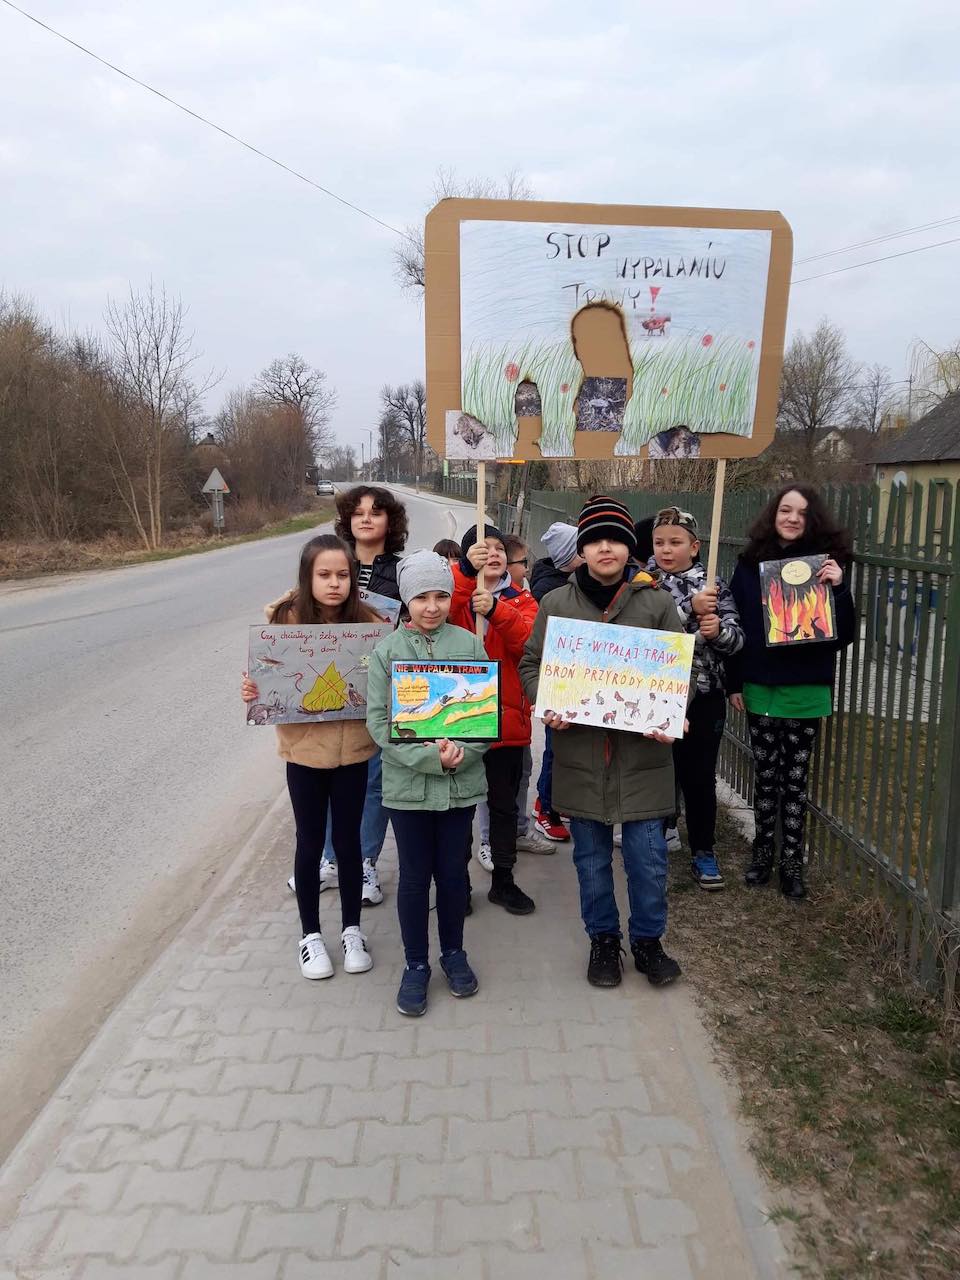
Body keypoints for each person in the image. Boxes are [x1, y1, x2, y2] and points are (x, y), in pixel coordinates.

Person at [519, 495, 686, 989]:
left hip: (643, 757)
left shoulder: (656, 603)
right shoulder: (557, 604)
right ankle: (604, 941)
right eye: (595, 541)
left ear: (629, 546)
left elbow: (683, 670)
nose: (605, 548)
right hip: (581, 757)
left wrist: (672, 710)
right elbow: (532, 663)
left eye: (615, 539)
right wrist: (546, 700)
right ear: (582, 550)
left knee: (648, 861)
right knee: (591, 861)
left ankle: (649, 942)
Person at [242, 534, 379, 980]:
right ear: (307, 577)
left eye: (343, 575)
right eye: (324, 575)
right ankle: (310, 935)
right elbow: (267, 682)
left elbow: (385, 681)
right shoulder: (284, 623)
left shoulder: (370, 624)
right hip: (303, 753)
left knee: (349, 841)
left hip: (354, 752)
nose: (334, 583)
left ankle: (352, 929)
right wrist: (254, 689)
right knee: (309, 840)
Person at [366, 552, 488, 1017]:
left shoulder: (469, 645)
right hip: (408, 791)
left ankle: (453, 953)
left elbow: (485, 713)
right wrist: (429, 758)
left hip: (460, 786)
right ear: (406, 600)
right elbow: (380, 723)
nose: (431, 607)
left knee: (454, 875)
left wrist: (463, 753)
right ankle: (416, 963)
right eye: (421, 597)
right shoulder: (387, 652)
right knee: (415, 878)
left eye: (440, 596)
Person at [726, 486, 855, 900]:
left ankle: (792, 864)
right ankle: (762, 854)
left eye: (801, 512)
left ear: (812, 518)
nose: (793, 518)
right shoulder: (749, 564)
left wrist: (840, 588)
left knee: (795, 782)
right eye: (785, 510)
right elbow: (736, 625)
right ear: (774, 514)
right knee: (766, 776)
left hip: (806, 687)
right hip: (760, 686)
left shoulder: (826, 565)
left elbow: (844, 636)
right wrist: (733, 683)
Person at [302, 484, 407, 906]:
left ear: (390, 521)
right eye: (358, 512)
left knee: (374, 781)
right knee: (328, 776)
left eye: (376, 512)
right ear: (346, 519)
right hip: (332, 692)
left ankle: (364, 863)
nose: (366, 518)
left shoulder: (401, 571)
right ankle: (330, 860)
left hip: (381, 693)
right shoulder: (331, 563)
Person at [649, 507, 744, 890]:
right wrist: (689, 608)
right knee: (657, 771)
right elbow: (646, 631)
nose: (665, 550)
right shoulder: (645, 583)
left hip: (704, 695)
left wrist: (717, 630)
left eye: (675, 542)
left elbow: (737, 642)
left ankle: (703, 850)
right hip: (656, 693)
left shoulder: (714, 586)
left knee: (699, 776)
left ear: (694, 546)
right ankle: (655, 839)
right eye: (659, 542)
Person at [451, 523, 540, 914]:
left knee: (504, 807)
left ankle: (504, 881)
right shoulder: (456, 593)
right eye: (483, 547)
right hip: (461, 720)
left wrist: (497, 610)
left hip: (507, 725)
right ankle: (457, 884)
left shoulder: (523, 600)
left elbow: (529, 644)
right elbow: (440, 616)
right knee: (459, 809)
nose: (493, 553)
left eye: (499, 548)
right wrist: (465, 577)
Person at [528, 522, 583, 843]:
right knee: (556, 749)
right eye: (581, 549)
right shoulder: (550, 591)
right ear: (568, 557)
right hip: (560, 680)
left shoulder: (572, 582)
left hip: (579, 678)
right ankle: (545, 808)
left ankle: (557, 803)